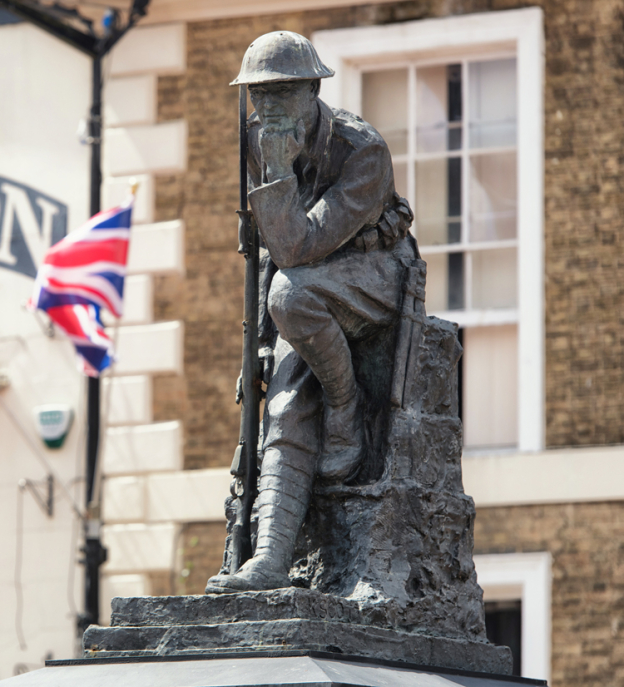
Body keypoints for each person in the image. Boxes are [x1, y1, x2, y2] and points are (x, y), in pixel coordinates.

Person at [206, 31, 415, 594]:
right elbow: (270, 250)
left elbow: (299, 246)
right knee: (286, 397)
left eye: (281, 94)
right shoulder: (257, 142)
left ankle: (346, 406)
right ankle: (269, 562)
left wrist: (274, 179)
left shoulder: (361, 150)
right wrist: (256, 347)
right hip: (302, 284)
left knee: (291, 296)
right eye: (259, 95)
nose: (267, 108)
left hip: (373, 275)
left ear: (312, 92)